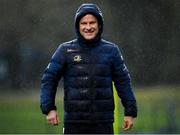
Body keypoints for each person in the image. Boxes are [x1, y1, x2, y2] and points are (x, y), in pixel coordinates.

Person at [40, 3, 137, 134]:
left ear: (99, 25)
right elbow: (49, 79)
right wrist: (49, 108)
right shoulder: (65, 50)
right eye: (83, 23)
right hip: (74, 124)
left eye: (92, 23)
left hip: (104, 124)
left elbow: (123, 81)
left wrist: (130, 111)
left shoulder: (112, 51)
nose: (88, 27)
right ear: (77, 26)